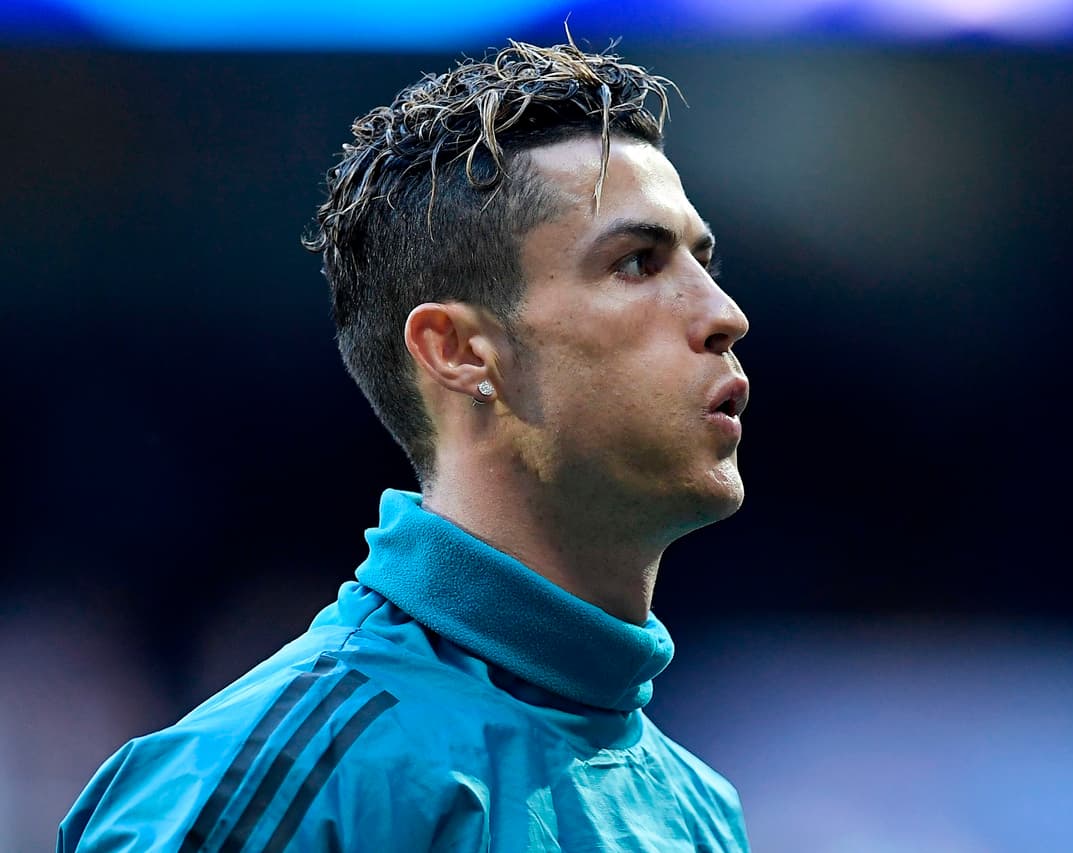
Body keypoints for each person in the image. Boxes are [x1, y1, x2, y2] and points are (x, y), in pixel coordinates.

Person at [60, 36, 751, 852]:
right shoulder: (308, 779)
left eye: (704, 262)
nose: (725, 314)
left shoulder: (701, 810)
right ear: (459, 352)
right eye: (638, 262)